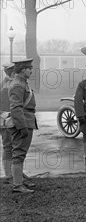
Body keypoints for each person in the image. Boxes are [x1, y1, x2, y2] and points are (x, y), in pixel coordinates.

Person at [7, 58, 37, 193]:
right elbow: (16, 108)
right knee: (18, 153)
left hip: (26, 120)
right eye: (29, 68)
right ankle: (17, 185)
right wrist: (22, 127)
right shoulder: (18, 85)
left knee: (21, 153)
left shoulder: (22, 83)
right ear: (22, 70)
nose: (31, 70)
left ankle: (20, 181)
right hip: (22, 122)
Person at [1, 63, 15, 182]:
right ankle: (9, 174)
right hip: (6, 120)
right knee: (8, 147)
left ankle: (15, 171)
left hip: (11, 119)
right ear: (11, 73)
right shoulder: (5, 87)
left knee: (15, 147)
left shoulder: (8, 84)